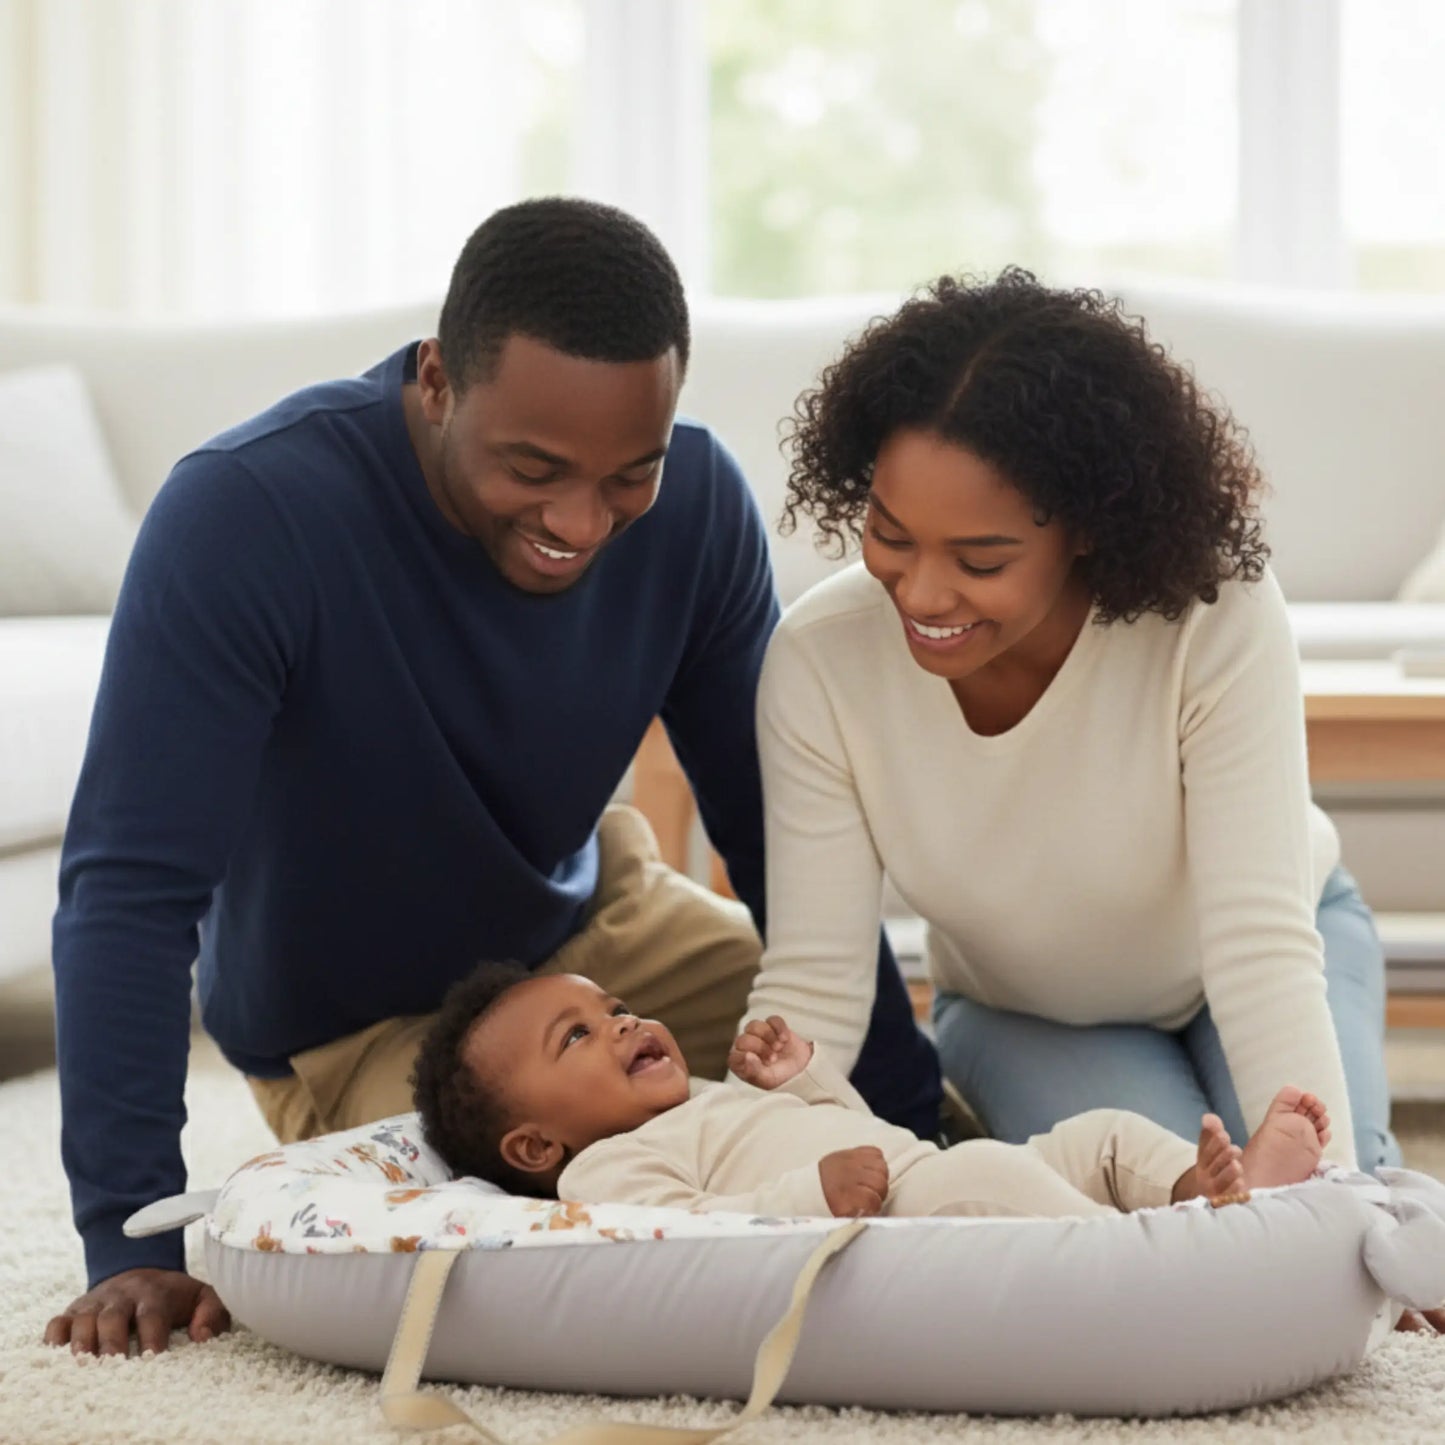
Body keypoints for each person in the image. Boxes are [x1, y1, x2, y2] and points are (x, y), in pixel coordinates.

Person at [43, 198, 940, 1358]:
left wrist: (912, 1118)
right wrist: (129, 1237)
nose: (581, 520)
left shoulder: (699, 505)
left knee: (850, 1095)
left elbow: (782, 835)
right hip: (363, 1026)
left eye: (629, 474)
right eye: (532, 467)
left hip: (593, 940)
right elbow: (128, 890)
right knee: (523, 1235)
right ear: (435, 381)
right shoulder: (244, 515)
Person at [743, 266, 1404, 1189]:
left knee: (1327, 1187)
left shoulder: (1213, 615)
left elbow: (1261, 951)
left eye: (980, 560)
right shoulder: (821, 659)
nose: (921, 594)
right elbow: (815, 981)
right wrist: (731, 1169)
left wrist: (1336, 1202)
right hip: (1029, 1018)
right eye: (890, 535)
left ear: (1087, 527)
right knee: (1167, 1212)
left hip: (1276, 950)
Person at [412, 965, 1334, 1218]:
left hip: (926, 1173)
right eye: (577, 1035)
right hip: (921, 1208)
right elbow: (687, 1237)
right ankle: (1177, 1256)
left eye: (614, 1007)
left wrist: (804, 1080)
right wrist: (807, 1194)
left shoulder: (706, 1098)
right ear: (536, 1145)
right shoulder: (603, 1174)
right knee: (988, 1178)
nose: (622, 1022)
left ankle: (1208, 1192)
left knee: (1101, 1134)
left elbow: (858, 1138)